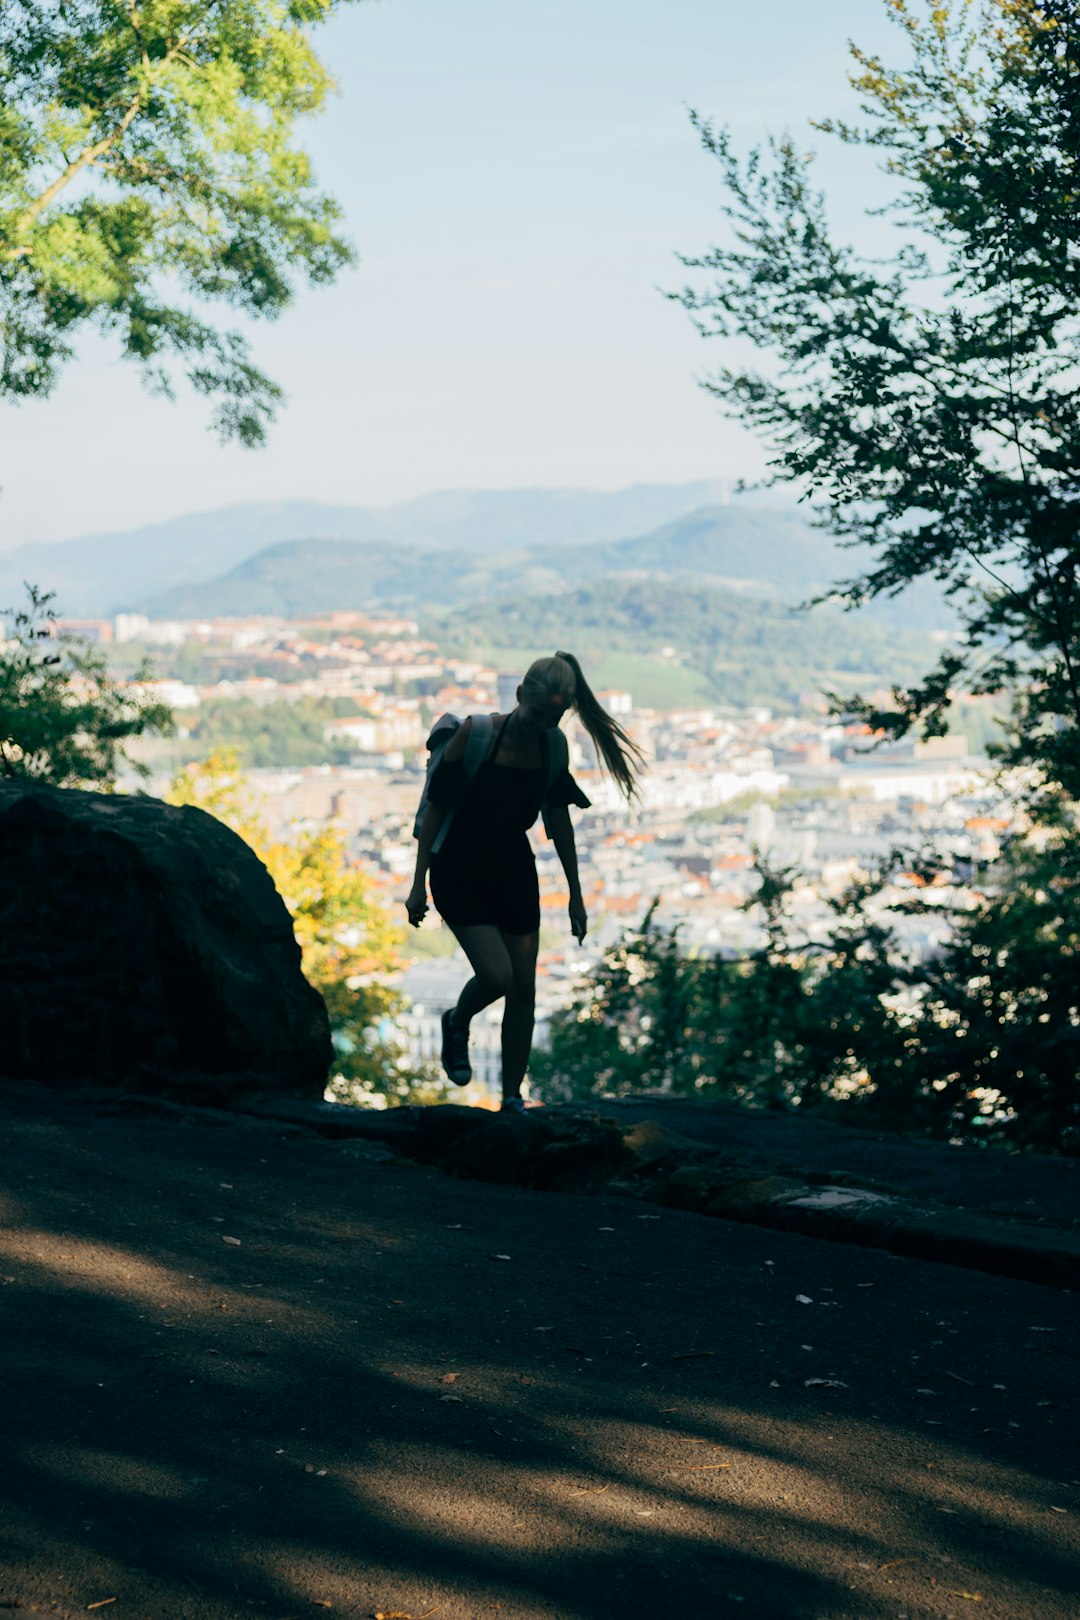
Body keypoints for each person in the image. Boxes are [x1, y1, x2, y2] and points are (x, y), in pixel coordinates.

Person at [405, 651, 644, 1111]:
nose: (542, 724)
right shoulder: (477, 736)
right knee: (497, 975)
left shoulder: (551, 747)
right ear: (519, 697)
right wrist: (418, 882)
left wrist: (576, 894)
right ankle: (458, 1019)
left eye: (554, 717)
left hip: (513, 867)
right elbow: (436, 809)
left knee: (524, 989)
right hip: (458, 867)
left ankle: (512, 1098)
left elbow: (559, 823)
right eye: (537, 714)